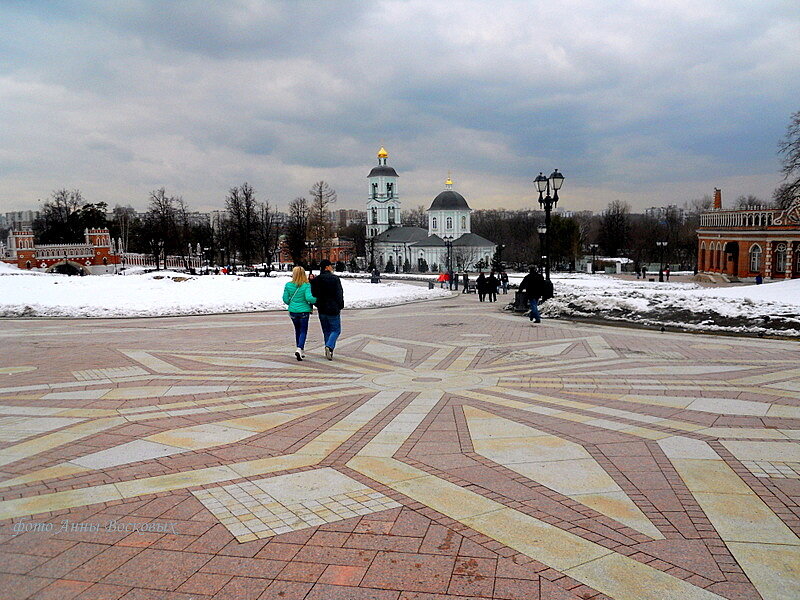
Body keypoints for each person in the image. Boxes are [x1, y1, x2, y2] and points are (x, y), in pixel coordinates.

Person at [310, 259, 344, 360]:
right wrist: (340, 305)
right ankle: (329, 346)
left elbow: (314, 294)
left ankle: (329, 350)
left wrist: (317, 304)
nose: (332, 267)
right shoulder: (335, 279)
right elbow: (339, 293)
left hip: (322, 308)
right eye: (330, 266)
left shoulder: (317, 280)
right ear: (326, 267)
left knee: (326, 330)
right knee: (336, 330)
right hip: (333, 308)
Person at [282, 266, 316, 361]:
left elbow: (285, 299)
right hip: (304, 311)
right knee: (303, 331)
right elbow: (309, 298)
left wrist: (291, 303)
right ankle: (300, 348)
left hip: (293, 311)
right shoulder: (306, 285)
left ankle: (300, 349)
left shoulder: (288, 285)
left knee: (297, 330)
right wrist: (317, 299)